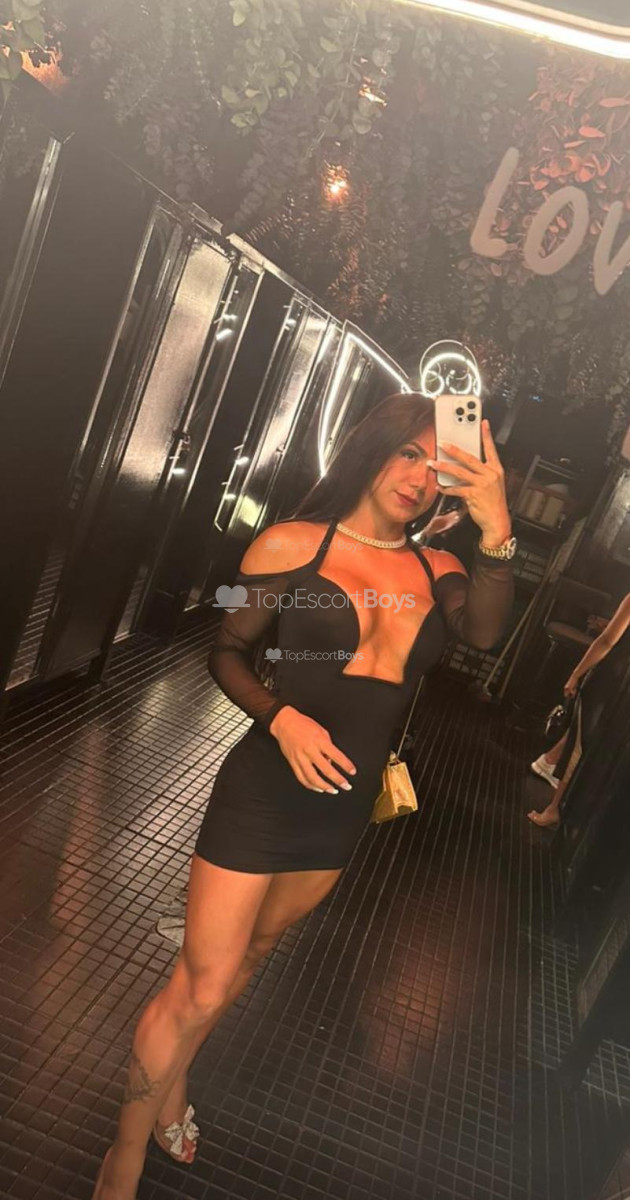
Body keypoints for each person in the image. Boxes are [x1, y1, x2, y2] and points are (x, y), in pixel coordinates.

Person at [93, 393, 514, 1199]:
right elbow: (228, 650)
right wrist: (280, 716)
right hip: (263, 793)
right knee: (201, 985)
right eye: (408, 454)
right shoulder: (294, 545)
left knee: (251, 956)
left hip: (341, 808)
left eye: (438, 467)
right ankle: (123, 1159)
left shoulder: (443, 572)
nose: (419, 478)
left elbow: (487, 635)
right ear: (373, 449)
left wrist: (497, 525)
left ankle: (172, 1089)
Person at [528, 593, 630, 827]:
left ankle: (554, 808)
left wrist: (576, 674)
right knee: (592, 742)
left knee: (579, 745)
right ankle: (548, 763)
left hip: (611, 679)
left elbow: (606, 642)